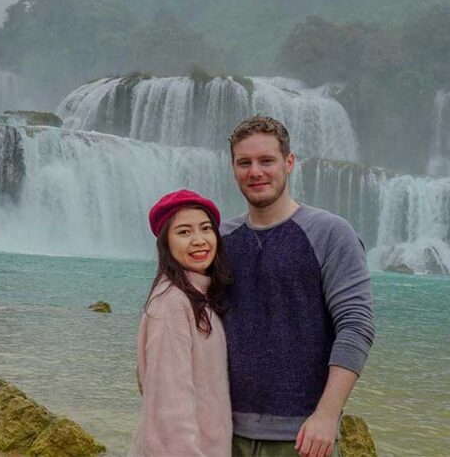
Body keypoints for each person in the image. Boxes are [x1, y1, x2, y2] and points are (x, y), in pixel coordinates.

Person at [221, 116, 375, 457]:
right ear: (233, 168)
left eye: (267, 161)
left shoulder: (331, 233)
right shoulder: (218, 240)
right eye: (244, 163)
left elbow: (356, 326)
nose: (255, 172)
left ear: (289, 163)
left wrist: (327, 415)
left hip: (304, 437)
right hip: (224, 432)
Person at [129, 189, 233, 457]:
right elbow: (170, 408)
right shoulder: (173, 304)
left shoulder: (201, 297)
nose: (199, 240)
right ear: (166, 243)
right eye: (184, 232)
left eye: (206, 229)